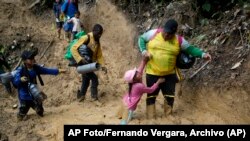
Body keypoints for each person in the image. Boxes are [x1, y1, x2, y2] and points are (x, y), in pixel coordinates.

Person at [138, 19, 212, 119]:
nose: (166, 35)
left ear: (174, 33)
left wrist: (203, 54)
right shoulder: (154, 33)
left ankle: (168, 116)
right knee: (151, 95)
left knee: (169, 96)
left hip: (169, 74)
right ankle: (150, 117)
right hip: (152, 73)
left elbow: (191, 49)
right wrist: (143, 51)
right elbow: (141, 39)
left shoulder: (179, 40)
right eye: (165, 32)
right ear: (163, 29)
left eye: (169, 34)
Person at [12, 50, 66, 121]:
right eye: (30, 58)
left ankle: (39, 114)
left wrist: (58, 71)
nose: (33, 59)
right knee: (22, 112)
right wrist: (20, 80)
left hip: (34, 94)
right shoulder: (20, 70)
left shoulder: (35, 68)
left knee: (40, 111)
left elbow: (46, 70)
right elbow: (15, 82)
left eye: (33, 58)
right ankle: (20, 115)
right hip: (24, 96)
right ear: (24, 61)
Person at [117, 58, 165, 125]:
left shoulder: (134, 81)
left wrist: (144, 60)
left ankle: (127, 114)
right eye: (136, 74)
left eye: (136, 72)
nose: (138, 73)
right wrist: (158, 82)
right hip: (129, 107)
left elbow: (140, 69)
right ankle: (127, 117)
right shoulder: (139, 86)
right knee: (125, 121)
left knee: (126, 112)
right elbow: (150, 90)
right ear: (134, 79)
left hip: (126, 101)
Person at [71, 24, 107, 102]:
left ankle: (81, 96)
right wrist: (80, 59)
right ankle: (94, 98)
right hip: (83, 63)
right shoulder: (86, 37)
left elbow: (99, 55)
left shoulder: (97, 42)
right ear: (94, 31)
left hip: (89, 63)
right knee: (94, 79)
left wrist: (103, 66)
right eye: (98, 33)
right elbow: (73, 48)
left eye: (101, 34)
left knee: (86, 80)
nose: (100, 35)